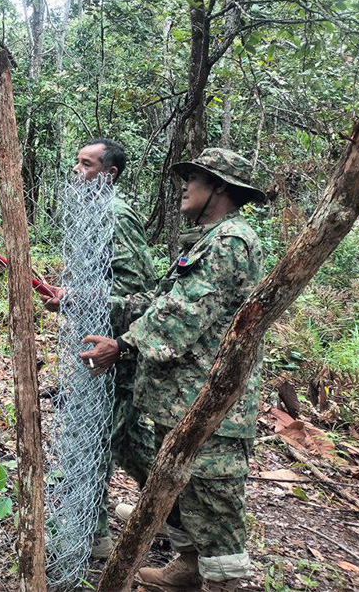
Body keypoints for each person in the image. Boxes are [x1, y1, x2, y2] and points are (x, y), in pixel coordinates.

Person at [80, 148, 266, 592]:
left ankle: (223, 582)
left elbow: (182, 316)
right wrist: (92, 301)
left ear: (221, 189)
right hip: (184, 397)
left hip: (212, 402)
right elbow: (160, 303)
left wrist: (121, 345)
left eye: (195, 179)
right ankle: (186, 567)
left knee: (214, 503)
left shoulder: (231, 241)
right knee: (185, 493)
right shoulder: (208, 237)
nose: (184, 186)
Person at [57, 138, 158, 559]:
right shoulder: (88, 213)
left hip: (118, 352)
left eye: (87, 164)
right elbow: (97, 282)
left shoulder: (117, 217)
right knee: (129, 441)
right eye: (76, 162)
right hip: (93, 344)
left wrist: (78, 296)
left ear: (109, 174)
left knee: (98, 438)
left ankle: (90, 535)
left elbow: (139, 294)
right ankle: (175, 516)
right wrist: (71, 295)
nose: (77, 171)